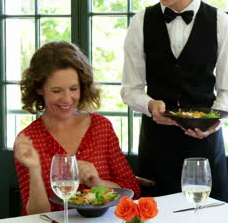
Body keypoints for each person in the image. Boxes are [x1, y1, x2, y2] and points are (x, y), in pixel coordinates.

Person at [121, 0, 228, 202]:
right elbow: (130, 90)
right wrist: (150, 105)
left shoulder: (220, 21)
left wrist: (213, 123)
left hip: (203, 151)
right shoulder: (141, 21)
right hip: (157, 149)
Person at [14, 41, 141, 215]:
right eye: (56, 91)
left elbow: (132, 189)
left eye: (73, 88)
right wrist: (34, 170)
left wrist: (97, 183)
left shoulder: (100, 127)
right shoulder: (28, 140)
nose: (67, 99)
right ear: (40, 89)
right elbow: (36, 216)